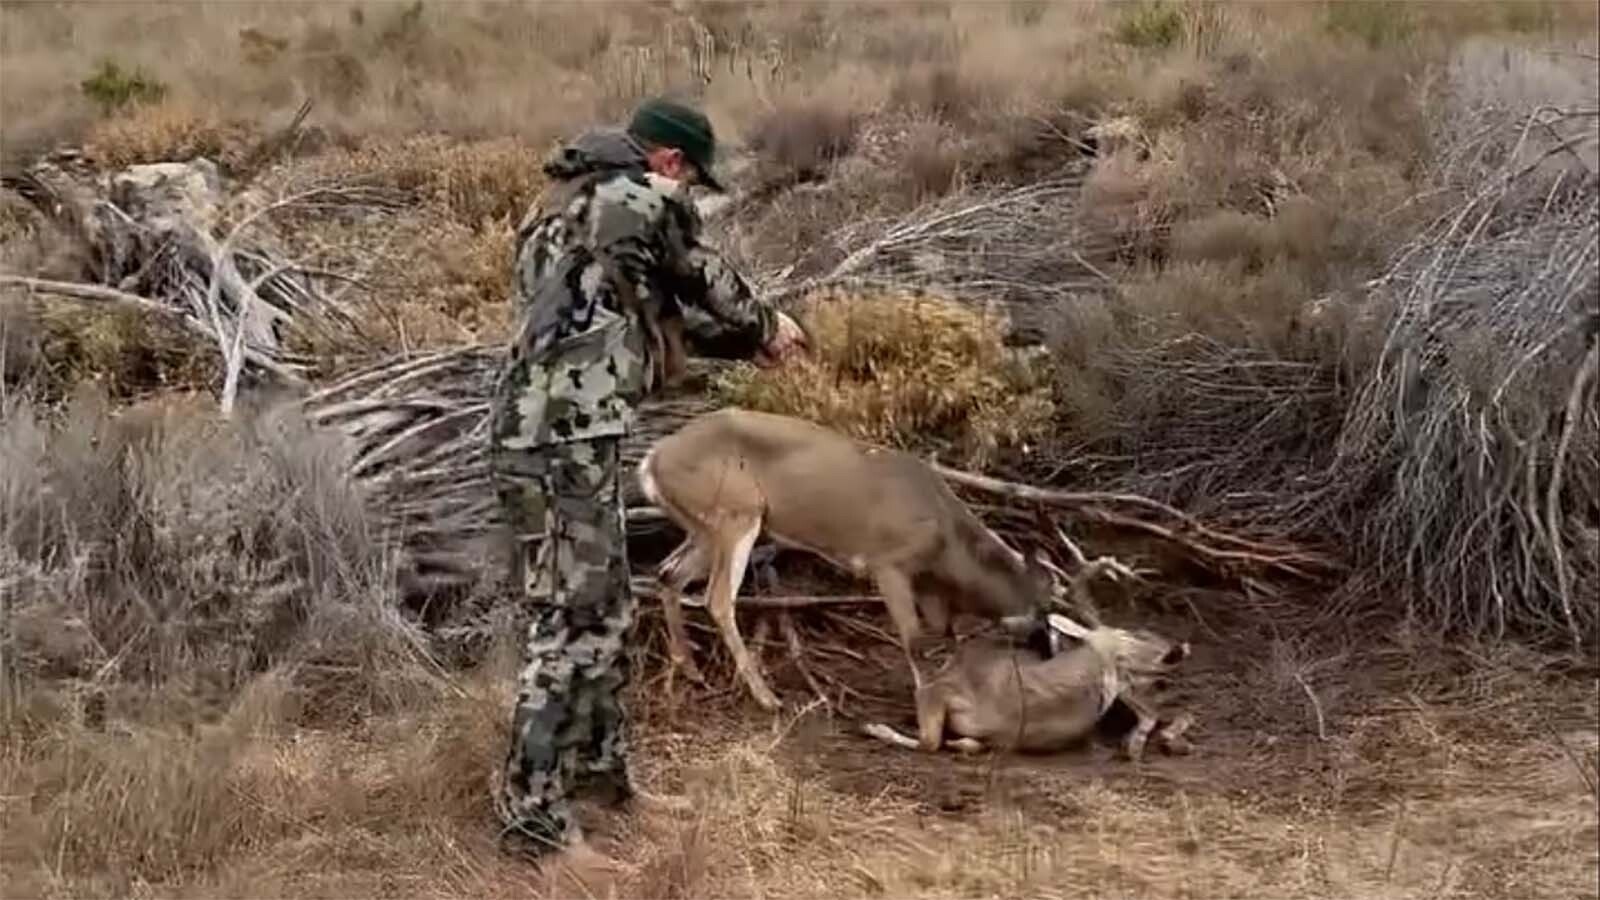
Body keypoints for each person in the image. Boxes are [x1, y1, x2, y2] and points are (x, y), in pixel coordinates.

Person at [487, 97, 807, 856]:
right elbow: (703, 277)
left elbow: (642, 316)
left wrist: (743, 348)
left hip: (566, 436)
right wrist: (767, 325)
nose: (689, 196)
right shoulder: (634, 199)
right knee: (570, 623)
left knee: (604, 610)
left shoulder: (573, 205)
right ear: (670, 163)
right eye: (692, 182)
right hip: (558, 440)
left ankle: (605, 784)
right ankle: (535, 826)